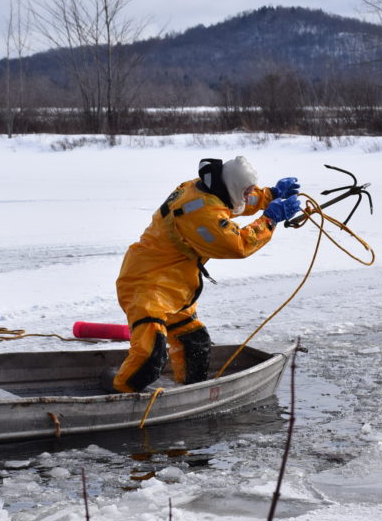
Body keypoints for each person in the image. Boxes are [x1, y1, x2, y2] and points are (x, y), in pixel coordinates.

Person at [107, 156, 301, 393]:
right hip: (146, 284)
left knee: (195, 343)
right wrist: (269, 220)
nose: (249, 194)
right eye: (247, 190)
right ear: (233, 186)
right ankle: (119, 391)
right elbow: (237, 245)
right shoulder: (202, 213)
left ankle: (189, 393)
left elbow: (236, 202)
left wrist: (269, 195)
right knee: (149, 356)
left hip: (174, 285)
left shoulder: (205, 189)